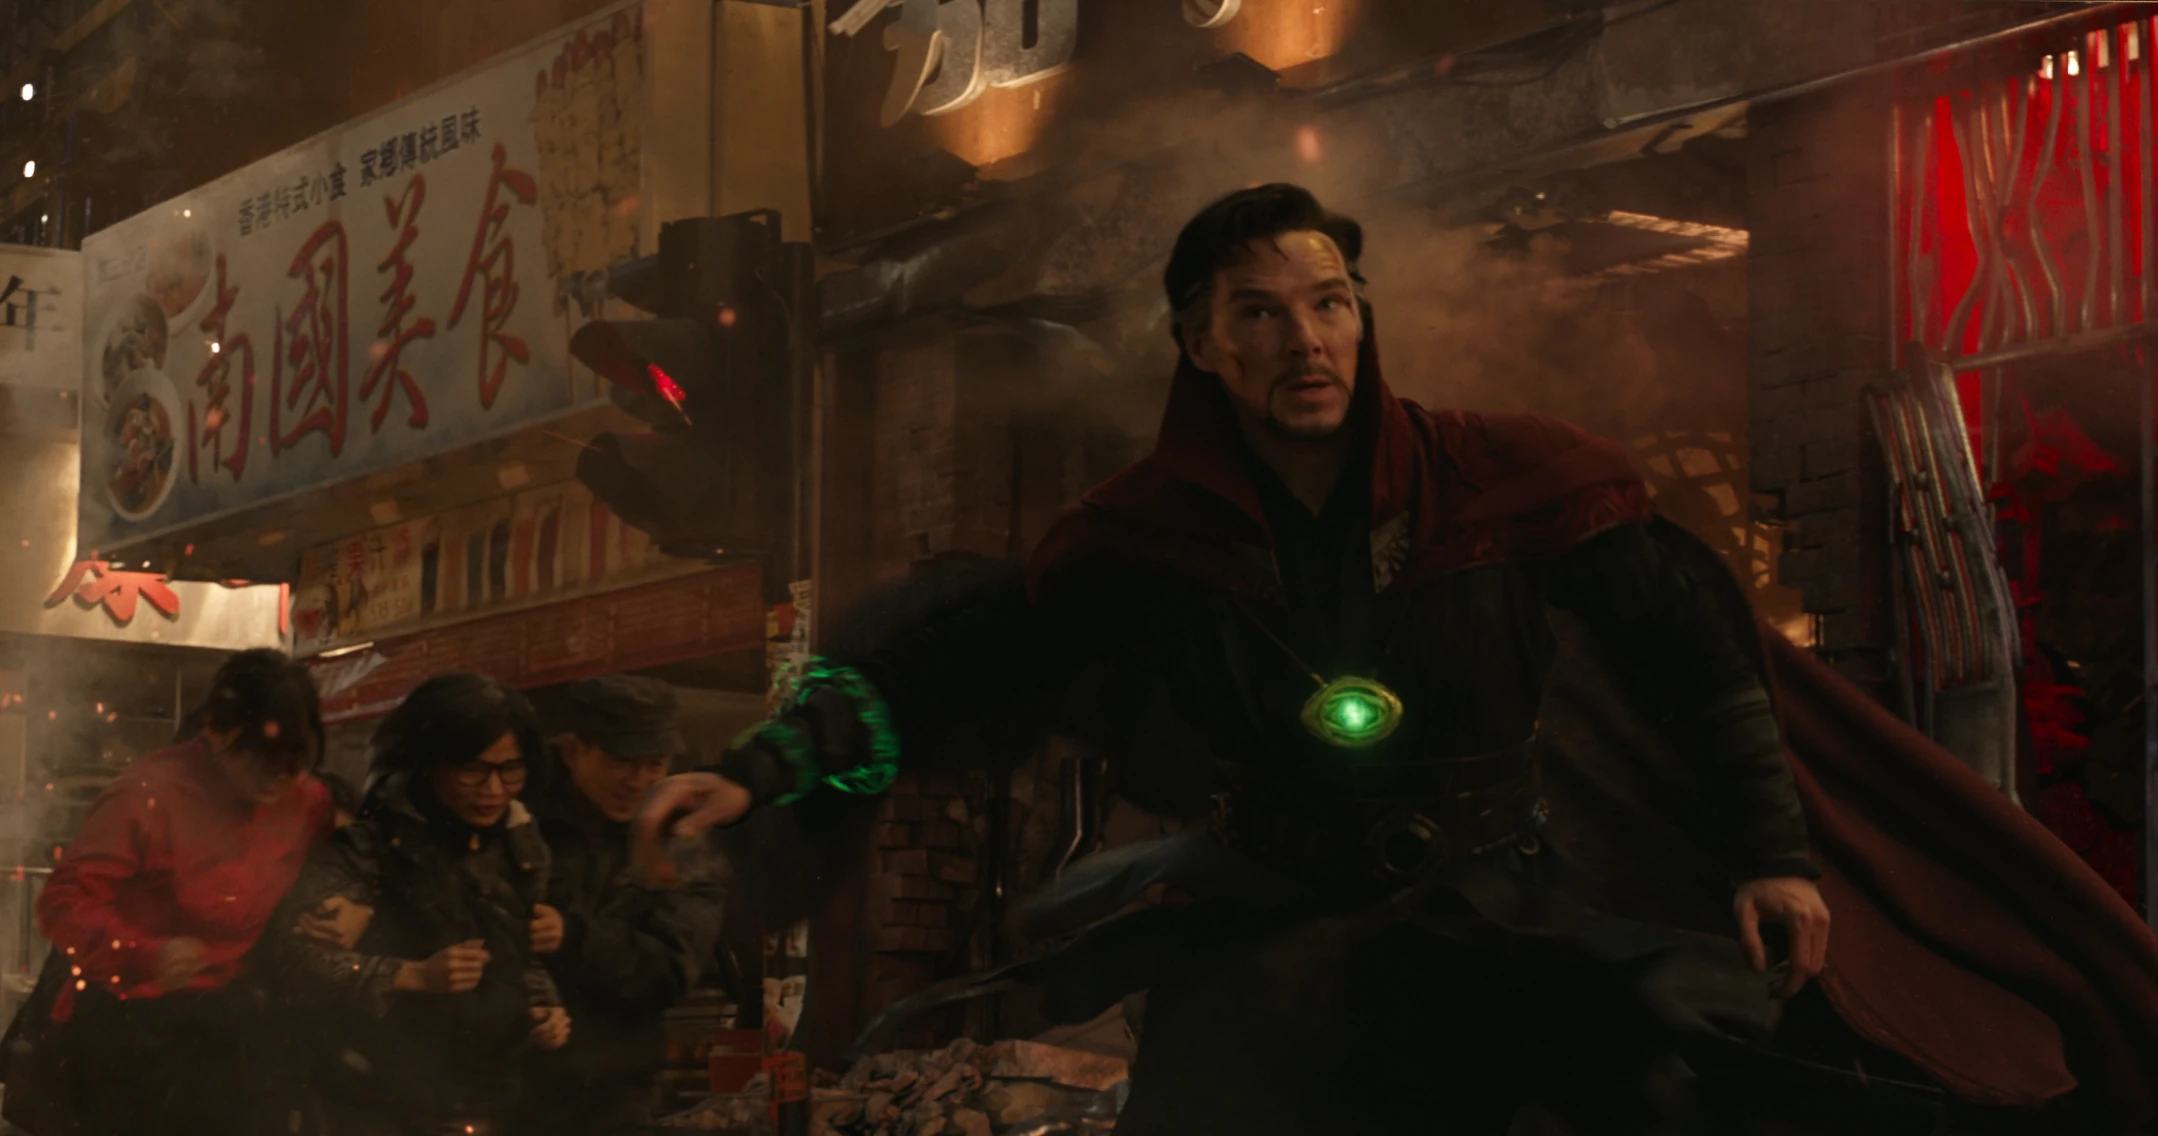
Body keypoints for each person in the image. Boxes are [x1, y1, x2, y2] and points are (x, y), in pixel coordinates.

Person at [637, 184, 2158, 1133]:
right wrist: (758, 767)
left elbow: (1692, 646)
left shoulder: (1503, 479)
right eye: (1259, 314)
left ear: (1361, 321)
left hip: (1500, 907)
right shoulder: (1146, 536)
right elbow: (970, 656)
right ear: (1200, 344)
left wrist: (1773, 853)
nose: (1305, 339)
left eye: (1328, 305)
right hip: (1272, 921)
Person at [21, 648, 334, 1136]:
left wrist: (339, 907)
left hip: (237, 1024)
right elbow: (64, 901)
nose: (278, 776)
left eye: (294, 761)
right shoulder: (150, 793)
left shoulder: (308, 802)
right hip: (131, 1023)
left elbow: (325, 875)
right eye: (262, 758)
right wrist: (142, 952)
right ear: (216, 731)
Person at [268, 672, 570, 1136]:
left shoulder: (522, 847)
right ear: (429, 765)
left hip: (487, 1099)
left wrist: (544, 1009)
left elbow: (518, 958)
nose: (494, 789)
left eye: (511, 769)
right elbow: (293, 961)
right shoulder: (368, 849)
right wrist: (411, 975)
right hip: (373, 1101)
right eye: (473, 770)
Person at [514, 676, 725, 1136]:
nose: (638, 781)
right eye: (620, 762)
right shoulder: (513, 818)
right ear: (573, 750)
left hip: (616, 1089)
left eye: (653, 764)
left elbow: (670, 967)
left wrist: (572, 937)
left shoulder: (680, 841)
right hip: (504, 1083)